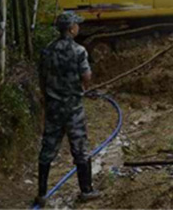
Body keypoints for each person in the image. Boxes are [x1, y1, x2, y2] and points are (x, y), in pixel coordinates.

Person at [35, 11, 100, 205]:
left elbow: (42, 78)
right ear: (71, 29)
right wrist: (83, 87)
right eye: (76, 25)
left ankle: (42, 193)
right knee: (80, 147)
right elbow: (86, 76)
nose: (78, 27)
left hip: (54, 107)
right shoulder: (79, 51)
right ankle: (86, 190)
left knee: (48, 148)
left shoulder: (47, 51)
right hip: (73, 107)